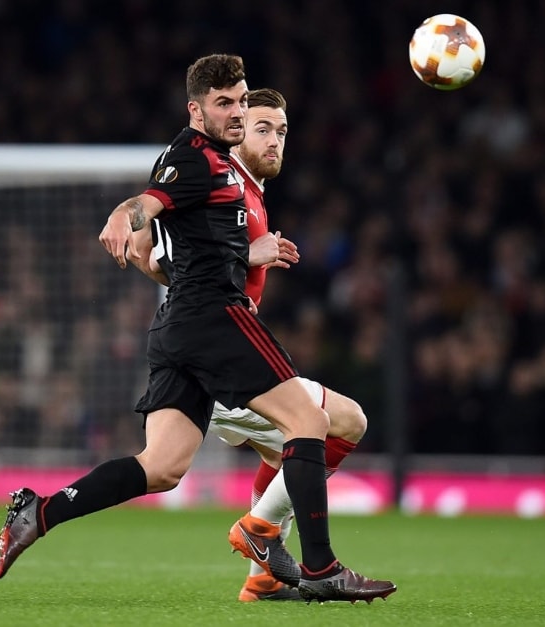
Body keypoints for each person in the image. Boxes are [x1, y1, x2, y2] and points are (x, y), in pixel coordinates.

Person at [0, 53, 396, 604]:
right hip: (214, 317)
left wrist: (201, 245)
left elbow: (159, 243)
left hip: (180, 324)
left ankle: (40, 512)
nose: (236, 112)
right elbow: (145, 208)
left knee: (161, 467)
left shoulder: (221, 168)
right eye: (226, 104)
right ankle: (315, 566)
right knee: (313, 421)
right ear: (197, 109)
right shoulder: (198, 158)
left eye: (241, 101)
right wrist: (123, 214)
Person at [141, 88, 374, 602]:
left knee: (290, 453)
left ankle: (264, 578)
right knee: (342, 423)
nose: (274, 141)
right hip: (217, 362)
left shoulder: (250, 192)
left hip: (224, 355)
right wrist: (244, 255)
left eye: (283, 132)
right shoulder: (217, 187)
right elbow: (153, 255)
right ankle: (259, 532)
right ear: (236, 129)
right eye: (262, 128)